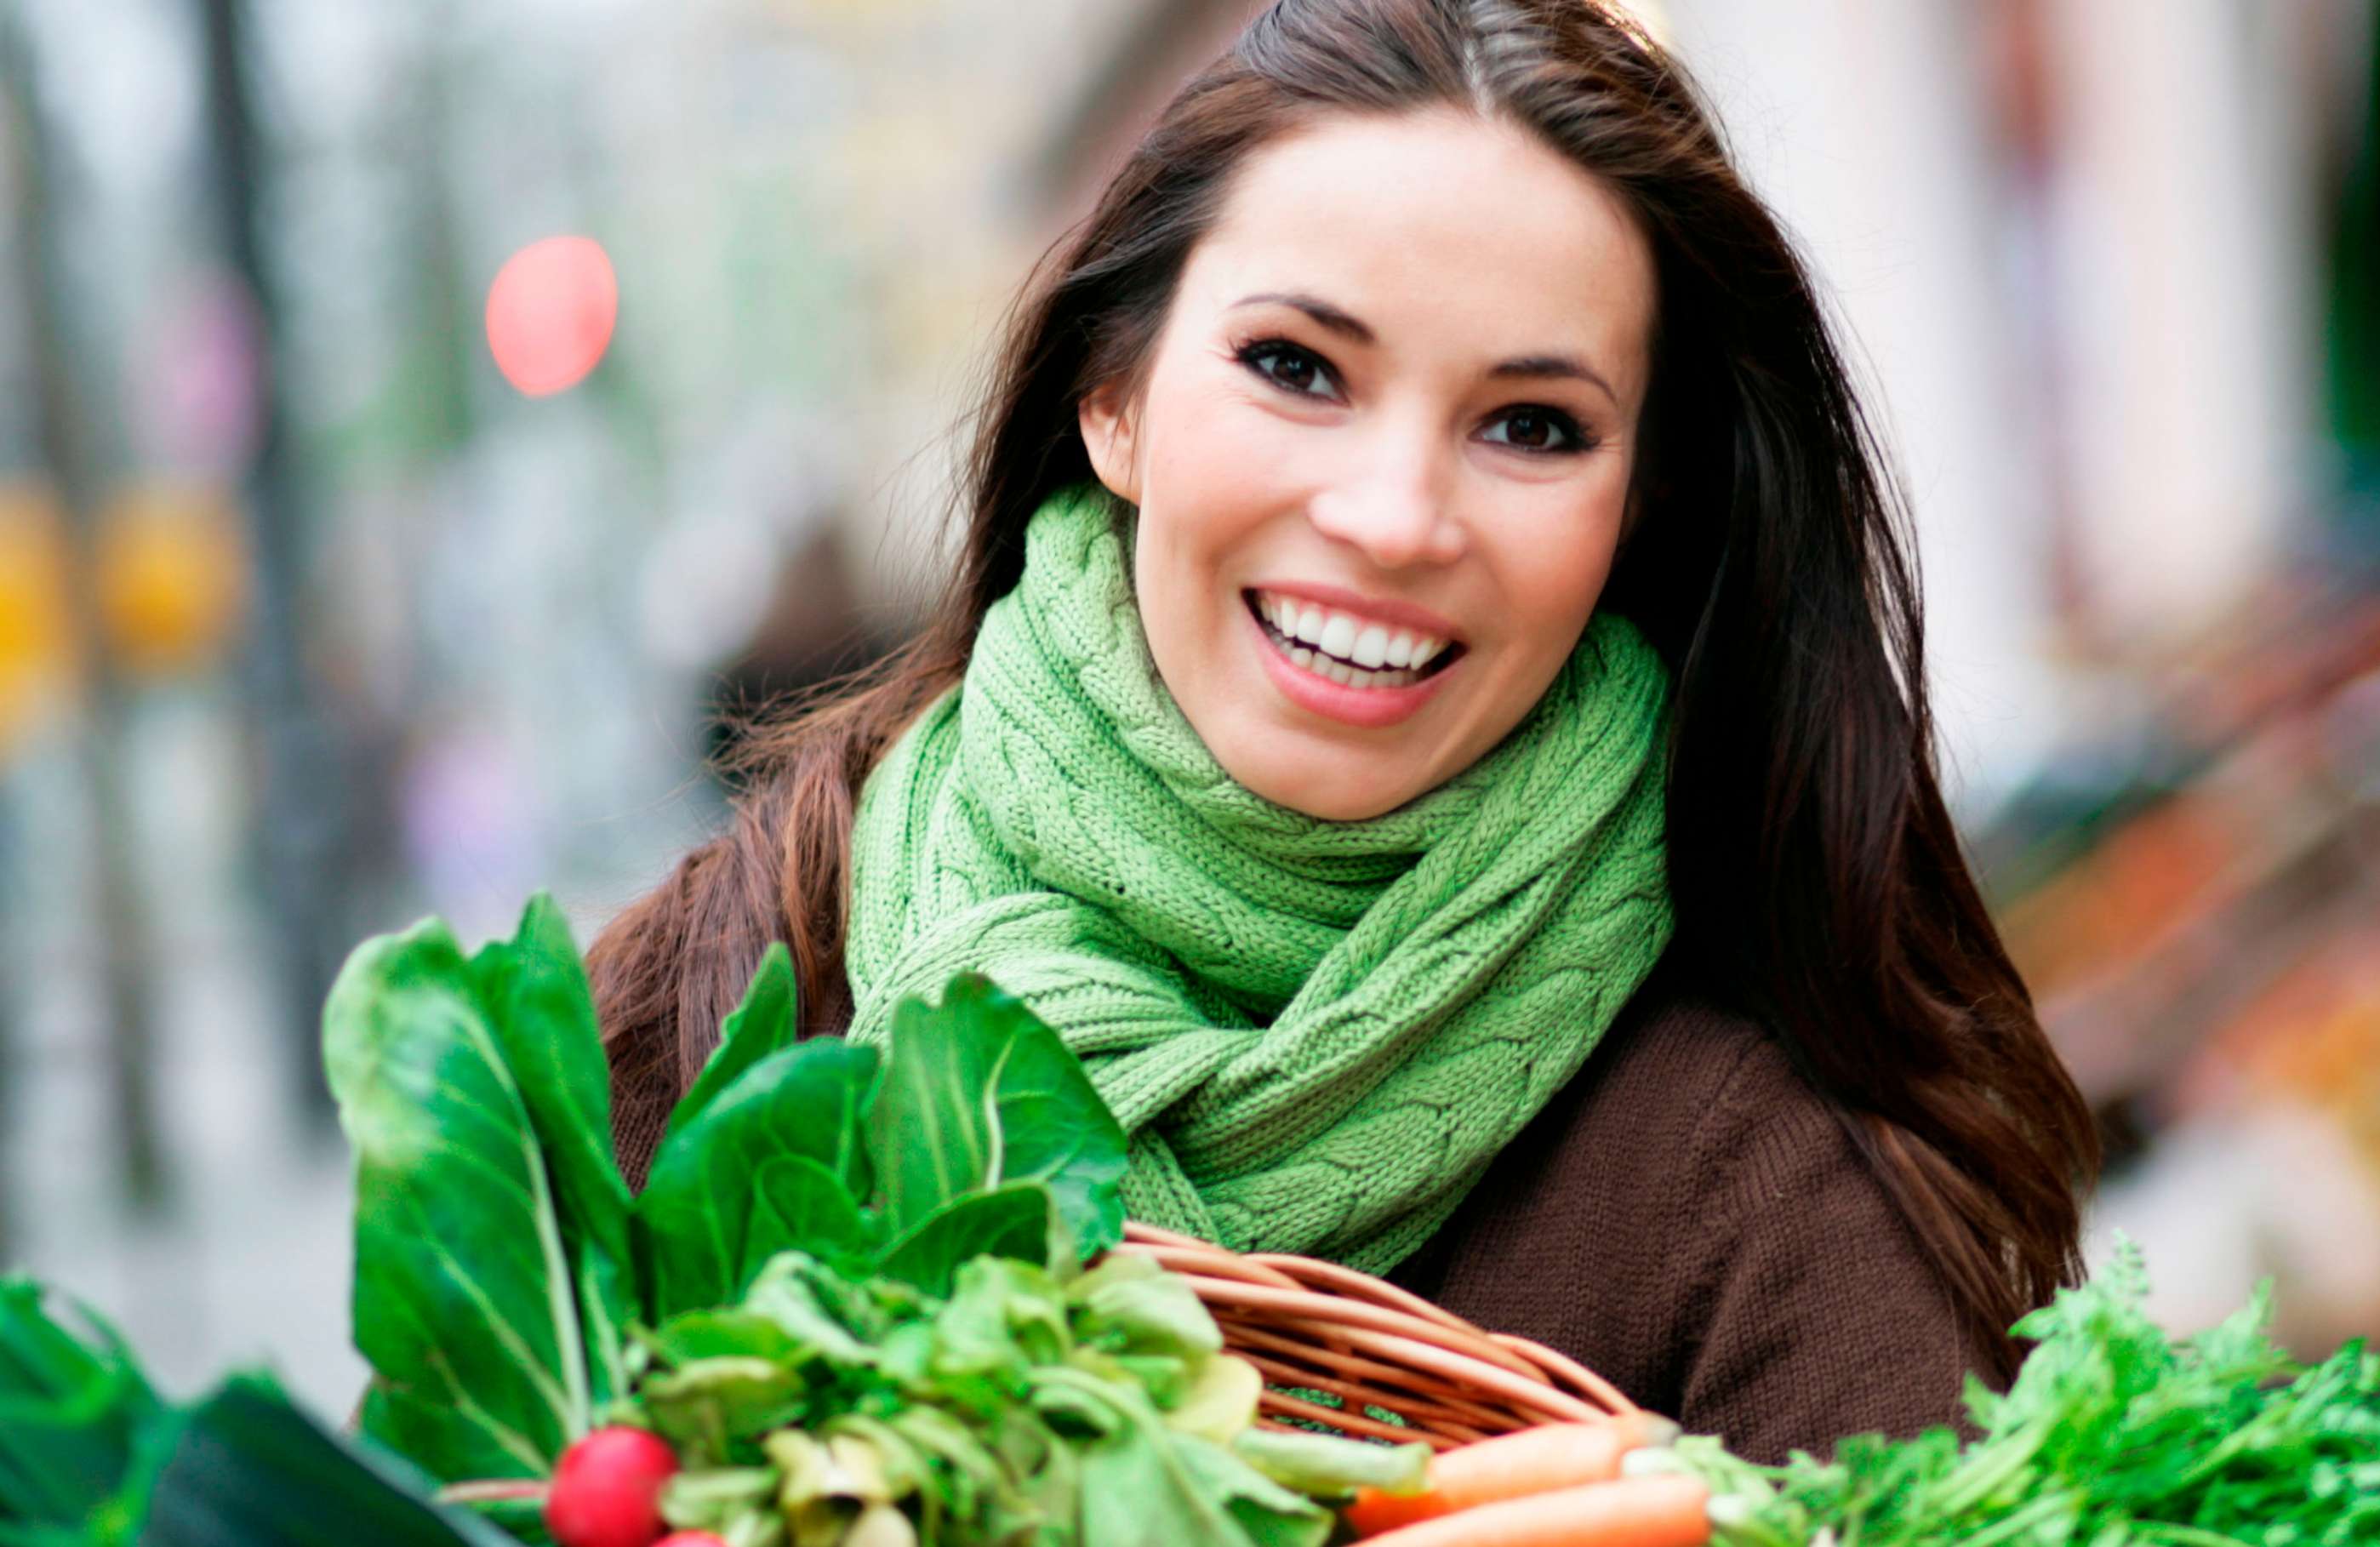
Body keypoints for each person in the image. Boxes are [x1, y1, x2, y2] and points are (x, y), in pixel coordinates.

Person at [592, 0, 2098, 1463]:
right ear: (1113, 396)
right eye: (1298, 368)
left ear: (1638, 511)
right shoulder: (715, 997)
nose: (1393, 518)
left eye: (1532, 425)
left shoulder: (1763, 1186)